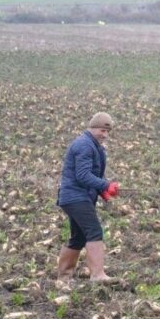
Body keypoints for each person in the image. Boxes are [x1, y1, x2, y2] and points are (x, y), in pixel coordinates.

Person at [56, 112, 121, 284]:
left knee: (78, 237)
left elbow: (91, 175)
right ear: (92, 128)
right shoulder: (84, 145)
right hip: (76, 196)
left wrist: (103, 192)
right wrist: (106, 185)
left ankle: (63, 278)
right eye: (102, 130)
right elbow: (83, 175)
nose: (105, 135)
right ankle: (97, 275)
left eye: (108, 132)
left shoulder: (93, 145)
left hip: (75, 196)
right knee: (94, 231)